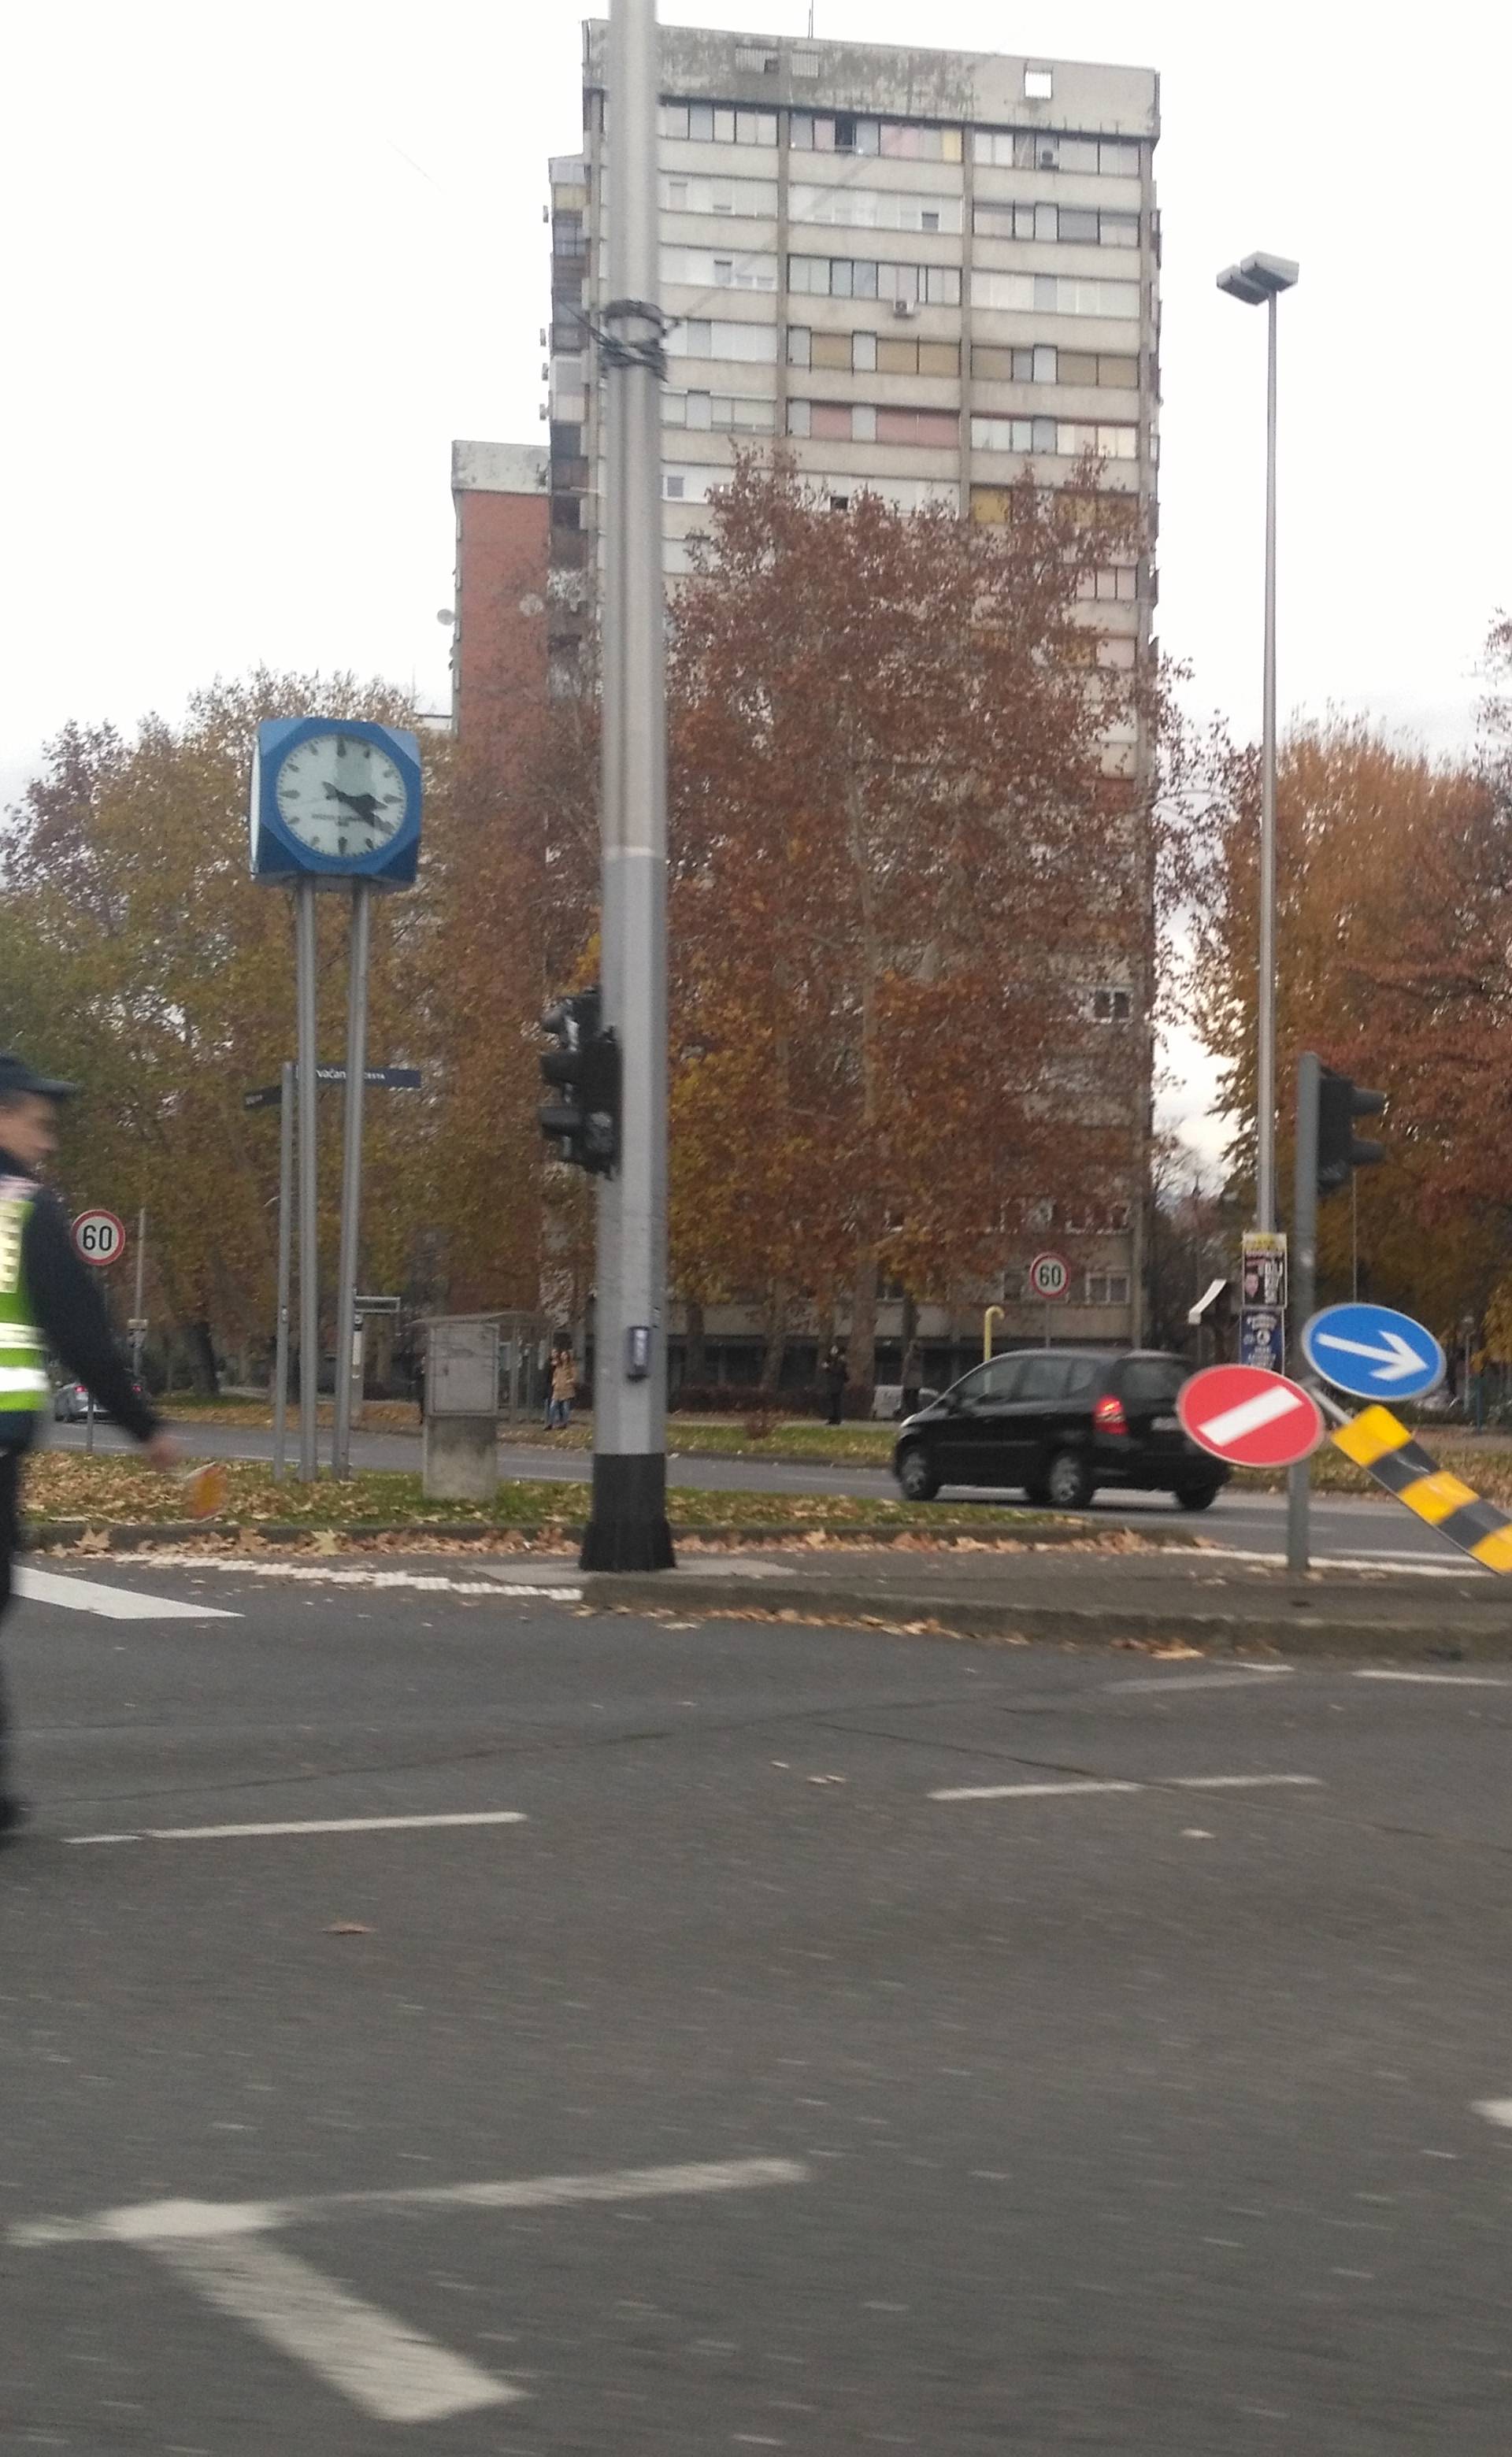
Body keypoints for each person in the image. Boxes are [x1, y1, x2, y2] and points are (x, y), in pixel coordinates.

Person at [0, 1054, 180, 1846]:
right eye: (40, 1124)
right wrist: (146, 1429)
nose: (49, 1143)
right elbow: (84, 1338)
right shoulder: (24, 1210)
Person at [547, 1346, 577, 1431]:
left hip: (567, 1390)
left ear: (568, 1356)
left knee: (565, 1408)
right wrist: (555, 1382)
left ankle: (565, 1423)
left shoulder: (571, 1366)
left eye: (565, 1355)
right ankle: (551, 1423)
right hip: (557, 1390)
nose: (563, 1357)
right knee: (553, 1406)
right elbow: (555, 1375)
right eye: (562, 1355)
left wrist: (569, 1381)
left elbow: (574, 1378)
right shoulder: (559, 1366)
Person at [822, 1340, 848, 1429]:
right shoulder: (834, 1359)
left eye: (833, 1349)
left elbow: (837, 1370)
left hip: (837, 1383)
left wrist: (828, 1367)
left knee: (836, 1401)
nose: (832, 1351)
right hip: (833, 1382)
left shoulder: (841, 1360)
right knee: (833, 1401)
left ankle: (836, 1418)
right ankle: (832, 1418)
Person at [899, 1336, 923, 1421]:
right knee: (915, 1399)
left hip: (910, 1379)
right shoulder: (920, 1357)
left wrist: (903, 1378)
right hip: (918, 1379)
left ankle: (908, 1414)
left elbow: (906, 1368)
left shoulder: (909, 1356)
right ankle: (915, 1414)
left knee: (906, 1397)